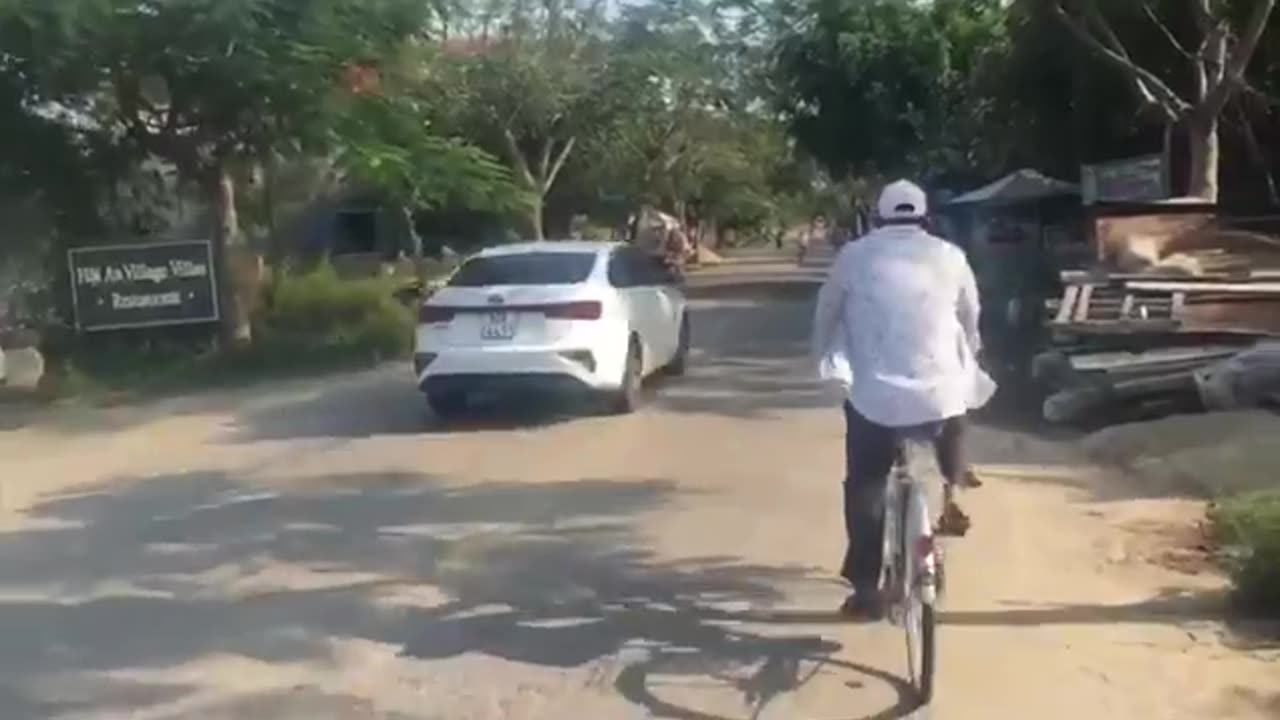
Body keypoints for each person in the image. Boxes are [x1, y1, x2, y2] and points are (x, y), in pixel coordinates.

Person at [811, 179, 996, 618]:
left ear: (878, 217)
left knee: (864, 485)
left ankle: (867, 590)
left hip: (874, 398)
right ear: (924, 217)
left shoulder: (854, 256)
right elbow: (971, 315)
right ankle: (954, 487)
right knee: (954, 400)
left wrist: (826, 354)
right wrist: (971, 349)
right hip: (939, 395)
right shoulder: (949, 256)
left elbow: (826, 311)